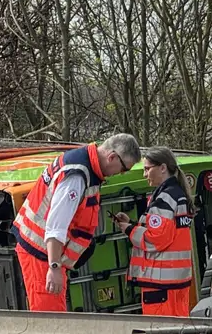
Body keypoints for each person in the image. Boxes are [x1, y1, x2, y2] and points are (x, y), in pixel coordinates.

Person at [12, 133, 142, 312]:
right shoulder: (77, 177)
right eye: (124, 169)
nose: (120, 174)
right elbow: (56, 226)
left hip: (46, 253)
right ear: (112, 157)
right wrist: (54, 267)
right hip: (42, 255)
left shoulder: (84, 165)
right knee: (52, 321)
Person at [114, 147, 195, 316]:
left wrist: (129, 229)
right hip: (177, 282)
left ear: (163, 168)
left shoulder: (164, 198)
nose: (145, 175)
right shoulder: (178, 195)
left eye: (147, 169)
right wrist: (133, 224)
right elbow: (165, 232)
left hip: (160, 284)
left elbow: (155, 240)